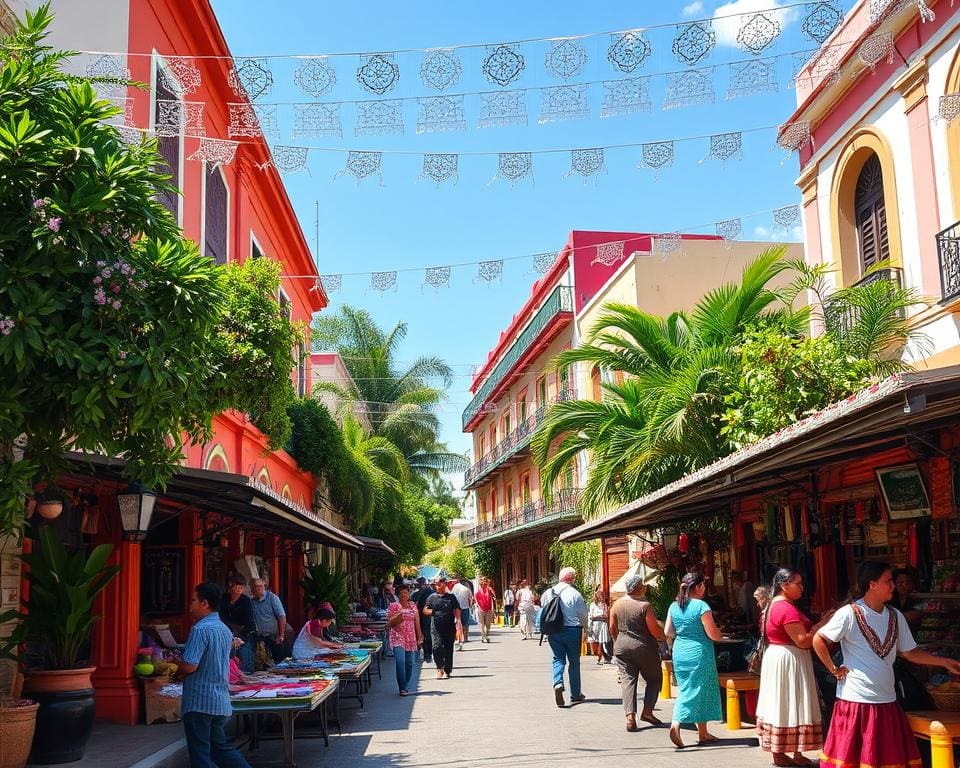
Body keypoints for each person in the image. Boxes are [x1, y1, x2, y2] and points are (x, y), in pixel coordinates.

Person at [814, 561, 960, 768]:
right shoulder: (850, 613)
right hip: (856, 700)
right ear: (872, 584)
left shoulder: (895, 615)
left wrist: (943, 662)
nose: (893, 585)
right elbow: (819, 639)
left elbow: (910, 652)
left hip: (886, 700)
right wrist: (833, 669)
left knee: (885, 759)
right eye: (888, 581)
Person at [755, 569, 833, 767]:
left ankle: (789, 753)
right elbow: (802, 641)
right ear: (784, 586)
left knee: (785, 703)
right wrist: (822, 624)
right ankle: (784, 753)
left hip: (781, 658)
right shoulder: (785, 608)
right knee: (792, 702)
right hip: (789, 659)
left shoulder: (775, 605)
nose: (801, 587)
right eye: (797, 583)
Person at [176, 582, 251, 768]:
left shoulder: (200, 629)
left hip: (199, 702)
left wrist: (176, 667)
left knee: (201, 754)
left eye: (193, 600)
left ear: (205, 603)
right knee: (220, 749)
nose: (190, 606)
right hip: (219, 701)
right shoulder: (224, 630)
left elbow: (190, 666)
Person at [665, 571, 724, 749]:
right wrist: (720, 633)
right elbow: (713, 634)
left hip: (681, 651)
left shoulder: (674, 606)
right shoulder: (701, 606)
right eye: (703, 585)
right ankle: (676, 724)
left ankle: (703, 733)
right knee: (693, 690)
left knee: (696, 689)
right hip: (699, 653)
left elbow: (668, 632)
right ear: (698, 587)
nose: (705, 588)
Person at [610, 574, 667, 732]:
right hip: (644, 647)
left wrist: (618, 640)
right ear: (637, 588)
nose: (644, 587)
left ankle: (630, 717)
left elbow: (612, 627)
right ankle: (647, 712)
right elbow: (654, 629)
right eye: (642, 585)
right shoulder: (644, 606)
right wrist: (664, 637)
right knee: (655, 678)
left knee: (628, 681)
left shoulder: (617, 605)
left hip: (622, 647)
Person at [541, 567, 588, 708]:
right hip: (573, 631)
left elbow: (544, 611)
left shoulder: (547, 593)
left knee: (558, 659)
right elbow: (583, 615)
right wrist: (586, 629)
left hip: (554, 631)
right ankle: (575, 694)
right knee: (574, 662)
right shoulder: (575, 594)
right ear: (572, 579)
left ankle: (558, 683)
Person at [387, 584, 422, 695]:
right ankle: (402, 688)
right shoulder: (394, 606)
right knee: (400, 661)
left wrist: (419, 635)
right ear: (398, 594)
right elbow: (390, 622)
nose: (404, 595)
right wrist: (399, 617)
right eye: (402, 593)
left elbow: (417, 621)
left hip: (410, 637)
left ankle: (405, 684)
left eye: (406, 592)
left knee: (409, 663)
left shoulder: (412, 606)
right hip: (397, 636)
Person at [423, 578, 461, 679]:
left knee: (449, 648)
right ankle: (440, 668)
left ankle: (448, 669)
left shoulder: (451, 597)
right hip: (436, 627)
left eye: (441, 584)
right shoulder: (431, 597)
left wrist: (458, 620)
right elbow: (425, 610)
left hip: (449, 627)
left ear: (445, 585)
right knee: (437, 647)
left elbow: (457, 608)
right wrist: (433, 612)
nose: (439, 586)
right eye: (437, 584)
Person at [219, 574, 255, 673]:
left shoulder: (245, 601)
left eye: (241, 587)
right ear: (231, 586)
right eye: (237, 586)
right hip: (226, 635)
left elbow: (250, 622)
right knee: (227, 666)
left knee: (245, 667)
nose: (239, 589)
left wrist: (241, 638)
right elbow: (220, 617)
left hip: (243, 635)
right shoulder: (223, 599)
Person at [250, 577, 286, 664]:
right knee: (264, 665)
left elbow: (281, 616)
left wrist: (281, 635)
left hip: (274, 637)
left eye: (261, 586)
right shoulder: (252, 602)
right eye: (256, 587)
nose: (259, 588)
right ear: (252, 590)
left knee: (279, 663)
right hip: (261, 638)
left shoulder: (272, 598)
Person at [412, 577, 435, 663]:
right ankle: (426, 653)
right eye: (419, 583)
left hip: (428, 617)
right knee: (424, 635)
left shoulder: (432, 593)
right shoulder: (415, 594)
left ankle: (428, 653)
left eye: (422, 583)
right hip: (420, 617)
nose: (421, 585)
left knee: (427, 635)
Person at [587, 587, 613, 664]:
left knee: (603, 641)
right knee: (596, 641)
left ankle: (605, 658)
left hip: (603, 624)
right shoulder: (593, 605)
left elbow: (606, 615)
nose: (602, 597)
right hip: (596, 625)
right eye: (600, 596)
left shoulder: (605, 605)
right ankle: (598, 657)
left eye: (603, 596)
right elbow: (591, 616)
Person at [451, 575, 474, 649]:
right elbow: (471, 599)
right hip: (465, 608)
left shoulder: (454, 587)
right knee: (465, 624)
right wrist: (470, 606)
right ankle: (464, 638)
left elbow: (451, 596)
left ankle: (458, 639)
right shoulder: (466, 589)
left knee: (457, 624)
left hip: (455, 608)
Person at [474, 576, 496, 643]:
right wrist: (477, 605)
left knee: (488, 624)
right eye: (482, 581)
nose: (484, 583)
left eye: (485, 581)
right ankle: (483, 637)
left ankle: (486, 635)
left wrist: (490, 589)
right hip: (480, 609)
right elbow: (475, 599)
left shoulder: (489, 589)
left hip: (488, 609)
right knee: (482, 624)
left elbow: (494, 596)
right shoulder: (477, 591)